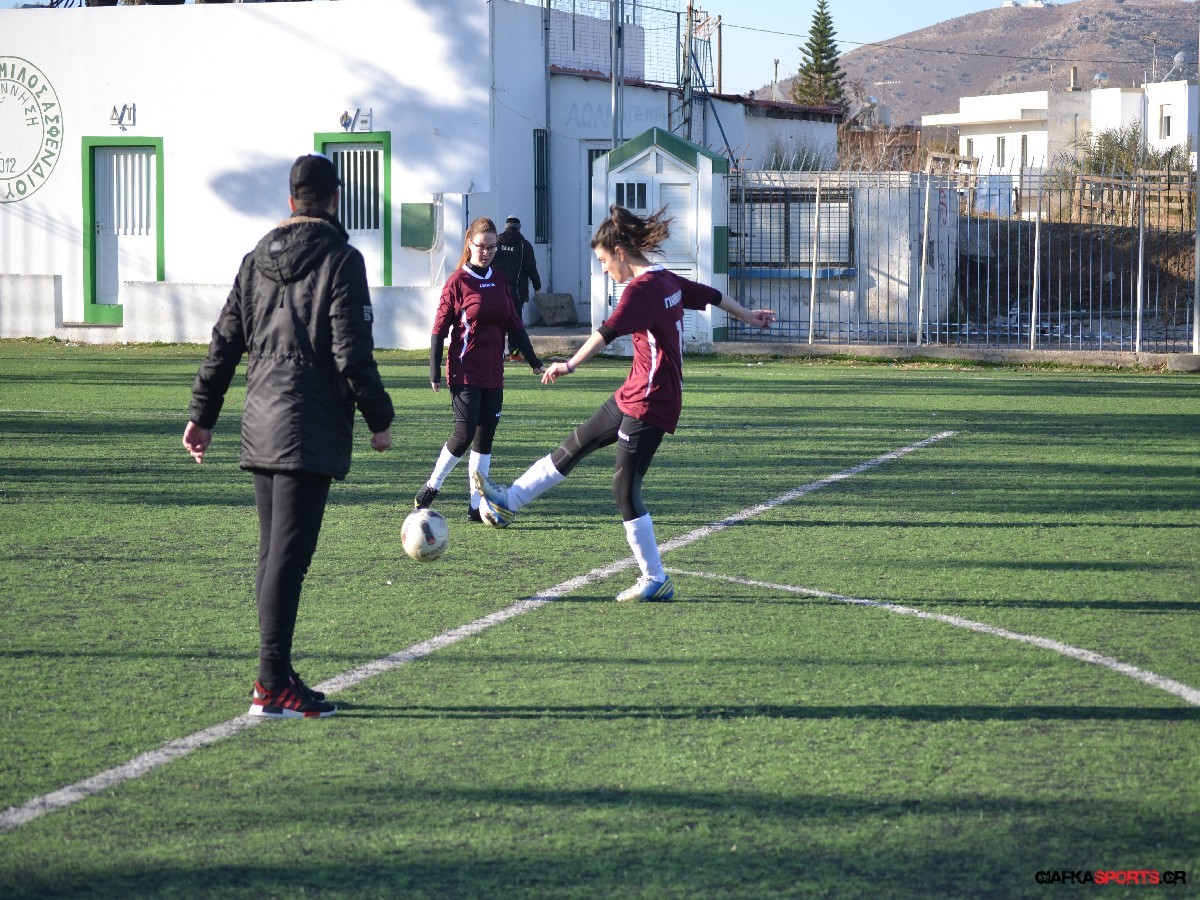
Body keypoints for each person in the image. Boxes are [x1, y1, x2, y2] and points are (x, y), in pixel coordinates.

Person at [182, 153, 395, 719]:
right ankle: (271, 684)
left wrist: (202, 414)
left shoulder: (255, 259)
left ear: (290, 200)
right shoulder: (341, 258)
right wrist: (379, 417)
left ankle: (278, 673)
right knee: (287, 558)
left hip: (261, 421)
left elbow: (224, 343)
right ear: (334, 199)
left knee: (273, 554)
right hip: (309, 424)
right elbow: (351, 350)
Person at [474, 204, 776, 602]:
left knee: (624, 487)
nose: (603, 270)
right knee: (577, 442)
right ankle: (510, 500)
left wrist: (569, 364)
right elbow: (713, 295)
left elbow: (607, 332)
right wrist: (748, 315)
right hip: (636, 390)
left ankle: (655, 577)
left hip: (651, 401)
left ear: (619, 252)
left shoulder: (641, 290)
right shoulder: (665, 279)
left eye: (603, 261)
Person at [413, 216, 545, 522]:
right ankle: (432, 486)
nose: (486, 252)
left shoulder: (499, 279)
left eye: (492, 247)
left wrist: (534, 361)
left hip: (493, 372)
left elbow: (514, 323)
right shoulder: (457, 281)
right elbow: (439, 328)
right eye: (481, 246)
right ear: (470, 244)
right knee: (464, 434)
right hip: (464, 370)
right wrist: (434, 370)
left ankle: (476, 504)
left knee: (484, 440)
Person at [492, 215, 542, 358]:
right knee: (515, 323)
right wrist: (537, 286)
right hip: (516, 294)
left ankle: (496, 351)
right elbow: (531, 269)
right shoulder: (524, 245)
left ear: (506, 227)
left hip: (496, 291)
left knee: (497, 322)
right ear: (519, 229)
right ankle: (514, 352)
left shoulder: (496, 243)